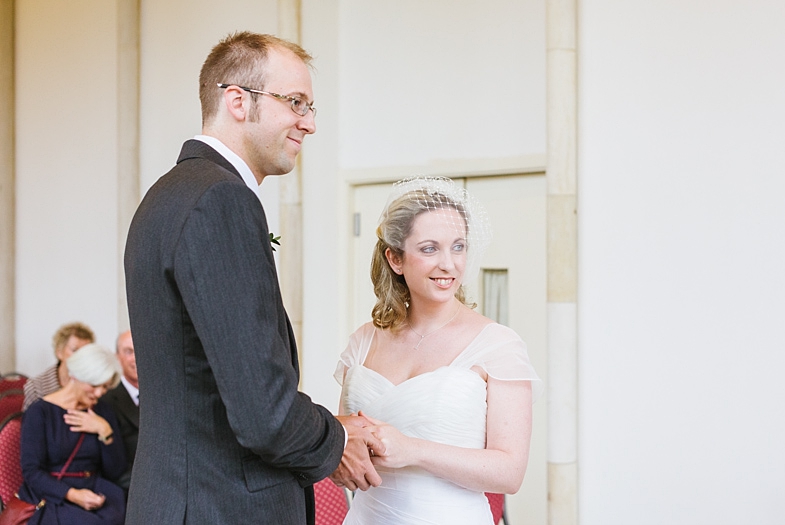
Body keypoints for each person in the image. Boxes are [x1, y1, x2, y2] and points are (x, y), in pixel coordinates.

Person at [124, 31, 383, 525]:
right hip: (221, 505)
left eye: (311, 107)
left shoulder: (165, 196)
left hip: (175, 497)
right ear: (238, 100)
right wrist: (338, 440)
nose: (308, 123)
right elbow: (264, 411)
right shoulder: (221, 200)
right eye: (296, 102)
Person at [335, 176, 544, 524]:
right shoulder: (363, 341)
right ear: (395, 258)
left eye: (458, 247)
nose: (449, 264)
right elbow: (345, 447)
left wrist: (412, 450)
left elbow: (510, 472)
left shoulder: (498, 345)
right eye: (430, 248)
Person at [18, 343, 126, 525]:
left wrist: (105, 431)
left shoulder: (102, 412)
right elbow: (32, 472)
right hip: (53, 493)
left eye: (105, 387)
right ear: (75, 376)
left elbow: (115, 471)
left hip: (94, 489)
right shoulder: (40, 412)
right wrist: (72, 495)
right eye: (94, 385)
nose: (99, 393)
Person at [99, 330, 138, 494]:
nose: (136, 358)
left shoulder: (162, 394)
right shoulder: (105, 399)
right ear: (117, 357)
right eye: (129, 352)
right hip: (129, 484)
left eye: (139, 351)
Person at [23, 322, 95, 411]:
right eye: (75, 350)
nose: (81, 357)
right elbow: (30, 422)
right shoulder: (37, 386)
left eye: (86, 352)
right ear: (59, 352)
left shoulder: (95, 385)